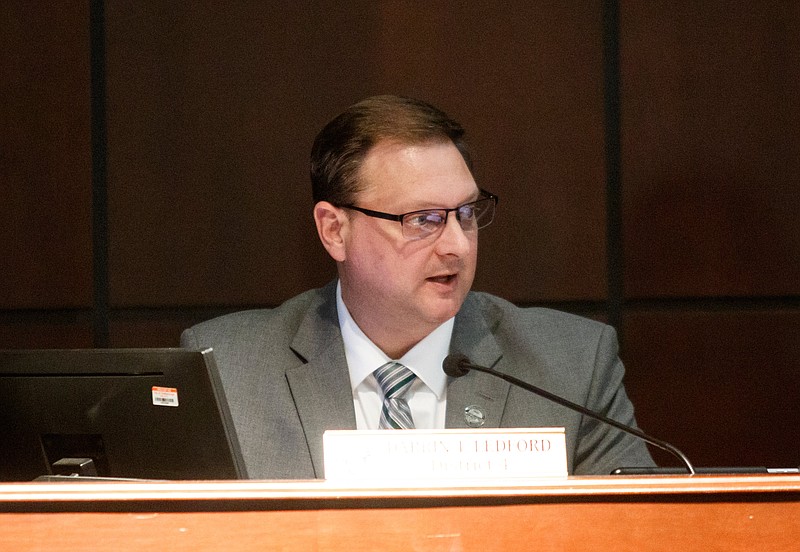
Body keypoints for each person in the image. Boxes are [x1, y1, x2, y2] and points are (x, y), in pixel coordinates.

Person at [181, 95, 655, 479]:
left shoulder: (570, 366)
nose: (457, 245)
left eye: (465, 214)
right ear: (334, 231)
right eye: (422, 220)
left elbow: (641, 533)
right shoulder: (227, 369)